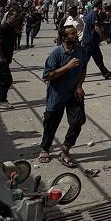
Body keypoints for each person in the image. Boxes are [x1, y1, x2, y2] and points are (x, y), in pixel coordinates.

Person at [40, 26, 89, 167]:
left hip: (74, 92)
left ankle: (65, 150)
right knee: (51, 123)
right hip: (57, 94)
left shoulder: (80, 51)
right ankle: (45, 148)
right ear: (64, 38)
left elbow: (83, 69)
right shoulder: (56, 54)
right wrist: (67, 66)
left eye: (75, 32)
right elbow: (47, 76)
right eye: (72, 34)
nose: (76, 35)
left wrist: (79, 85)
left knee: (78, 121)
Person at [0, 10, 23, 110]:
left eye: (17, 18)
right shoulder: (2, 28)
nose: (16, 20)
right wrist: (1, 57)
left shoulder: (11, 28)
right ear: (8, 17)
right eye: (14, 17)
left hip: (4, 59)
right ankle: (2, 101)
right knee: (7, 80)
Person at [81, 0, 111, 79]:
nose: (102, 6)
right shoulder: (94, 14)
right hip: (89, 41)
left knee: (98, 57)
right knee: (85, 60)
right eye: (101, 5)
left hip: (92, 41)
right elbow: (96, 27)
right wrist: (104, 37)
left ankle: (105, 73)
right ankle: (78, 76)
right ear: (98, 5)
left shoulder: (91, 13)